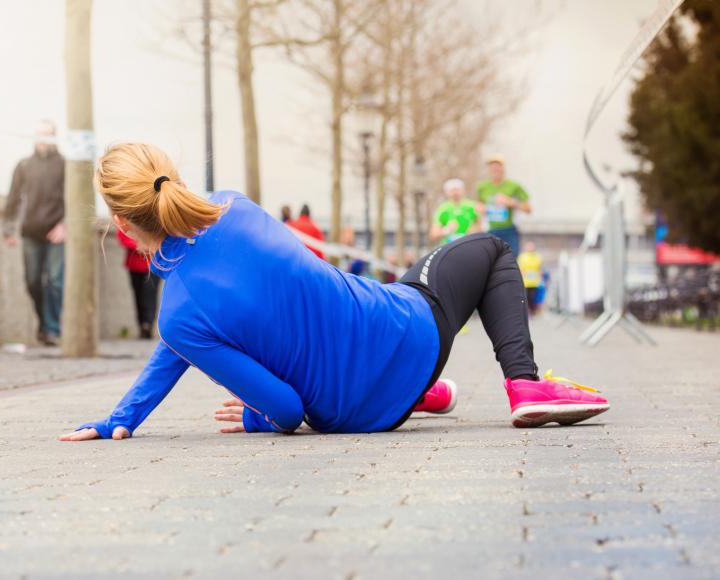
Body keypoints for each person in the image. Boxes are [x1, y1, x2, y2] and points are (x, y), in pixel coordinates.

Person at [60, 143, 610, 442]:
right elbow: (185, 334)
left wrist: (123, 418)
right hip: (409, 336)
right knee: (490, 249)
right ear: (173, 179)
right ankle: (525, 386)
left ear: (119, 221)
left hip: (354, 414)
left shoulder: (179, 317)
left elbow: (284, 408)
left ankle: (425, 394)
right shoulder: (235, 206)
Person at [3, 120, 66, 346]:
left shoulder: (65, 165)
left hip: (56, 232)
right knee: (32, 281)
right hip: (30, 232)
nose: (43, 140)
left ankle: (51, 329)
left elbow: (76, 200)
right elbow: (13, 198)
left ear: (55, 137)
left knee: (55, 281)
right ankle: (44, 323)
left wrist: (64, 225)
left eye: (48, 135)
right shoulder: (24, 166)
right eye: (40, 135)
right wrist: (9, 229)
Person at [477, 154, 531, 256]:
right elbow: (478, 206)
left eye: (497, 166)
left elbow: (528, 209)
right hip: (490, 231)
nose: (495, 169)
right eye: (492, 167)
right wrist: (480, 209)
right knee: (491, 262)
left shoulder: (514, 186)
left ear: (503, 168)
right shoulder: (482, 187)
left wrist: (511, 202)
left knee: (511, 261)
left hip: (509, 230)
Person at [117, 228, 161, 339]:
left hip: (152, 265)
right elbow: (122, 235)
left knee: (150, 295)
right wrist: (139, 246)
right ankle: (142, 324)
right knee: (138, 295)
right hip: (135, 264)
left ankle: (148, 324)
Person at [430, 178, 480, 245]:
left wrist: (474, 231)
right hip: (449, 248)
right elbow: (433, 234)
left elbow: (480, 226)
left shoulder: (471, 206)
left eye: (457, 189)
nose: (455, 193)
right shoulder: (443, 208)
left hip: (469, 246)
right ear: (447, 192)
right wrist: (445, 230)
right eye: (452, 190)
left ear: (463, 190)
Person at [518, 241, 543, 315]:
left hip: (534, 282)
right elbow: (520, 268)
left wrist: (540, 277)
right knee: (526, 297)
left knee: (533, 297)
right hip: (525, 282)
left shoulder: (537, 256)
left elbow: (540, 268)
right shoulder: (522, 256)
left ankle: (533, 311)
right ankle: (527, 311)